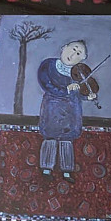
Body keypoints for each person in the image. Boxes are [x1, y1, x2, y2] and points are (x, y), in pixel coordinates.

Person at [37, 40, 96, 183]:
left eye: (79, 53)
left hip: (72, 110)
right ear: (64, 47)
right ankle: (46, 169)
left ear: (82, 59)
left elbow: (80, 92)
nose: (73, 55)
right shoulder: (48, 65)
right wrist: (65, 90)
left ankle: (67, 171)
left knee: (67, 140)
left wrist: (87, 96)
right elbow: (46, 85)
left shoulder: (79, 73)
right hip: (53, 108)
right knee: (50, 137)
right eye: (73, 49)